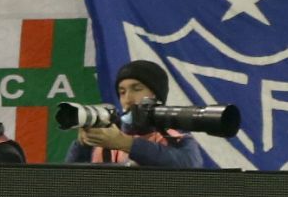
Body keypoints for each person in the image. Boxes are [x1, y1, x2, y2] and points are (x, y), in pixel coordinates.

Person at [65, 61, 205, 168]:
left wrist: (125, 143)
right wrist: (82, 145)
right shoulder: (108, 131)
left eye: (137, 89)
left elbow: (190, 164)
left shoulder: (172, 133)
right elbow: (71, 181)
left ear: (156, 95)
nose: (128, 99)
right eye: (122, 92)